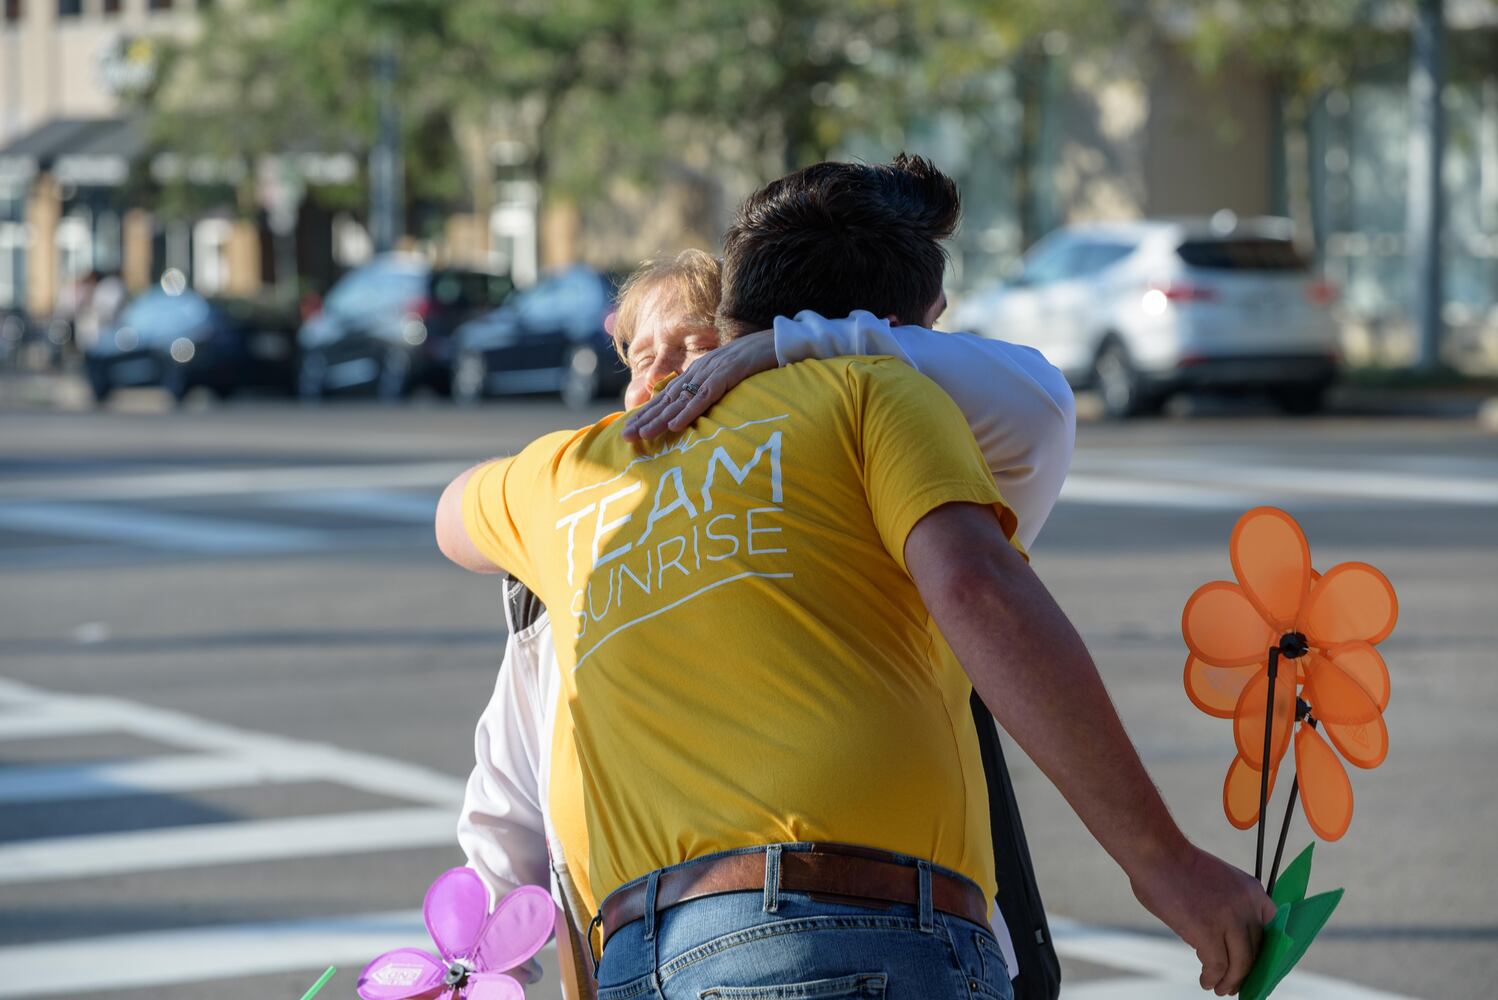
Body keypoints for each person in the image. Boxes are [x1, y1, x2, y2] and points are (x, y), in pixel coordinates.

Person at [439, 155, 1273, 1000]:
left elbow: (453, 515)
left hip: (638, 960)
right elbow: (983, 579)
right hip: (847, 934)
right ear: (922, 324)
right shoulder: (878, 391)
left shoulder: (572, 472)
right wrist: (1165, 864)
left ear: (732, 319)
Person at [455, 248, 1076, 993]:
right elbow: (504, 811)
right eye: (641, 357)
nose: (661, 375)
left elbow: (1034, 408)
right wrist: (483, 970)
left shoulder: (842, 455)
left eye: (696, 348)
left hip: (838, 911)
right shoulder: (577, 522)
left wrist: (806, 346)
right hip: (632, 960)